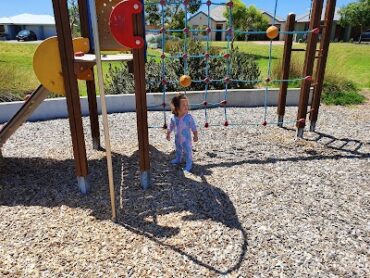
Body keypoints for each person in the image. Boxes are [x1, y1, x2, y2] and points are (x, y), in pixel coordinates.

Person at [166, 93, 198, 172]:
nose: (186, 106)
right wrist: (168, 133)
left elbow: (193, 127)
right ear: (176, 108)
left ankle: (189, 163)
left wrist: (195, 135)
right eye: (183, 105)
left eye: (187, 104)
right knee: (178, 149)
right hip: (178, 138)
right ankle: (178, 159)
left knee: (188, 150)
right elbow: (171, 126)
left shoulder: (188, 117)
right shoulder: (173, 117)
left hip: (186, 139)